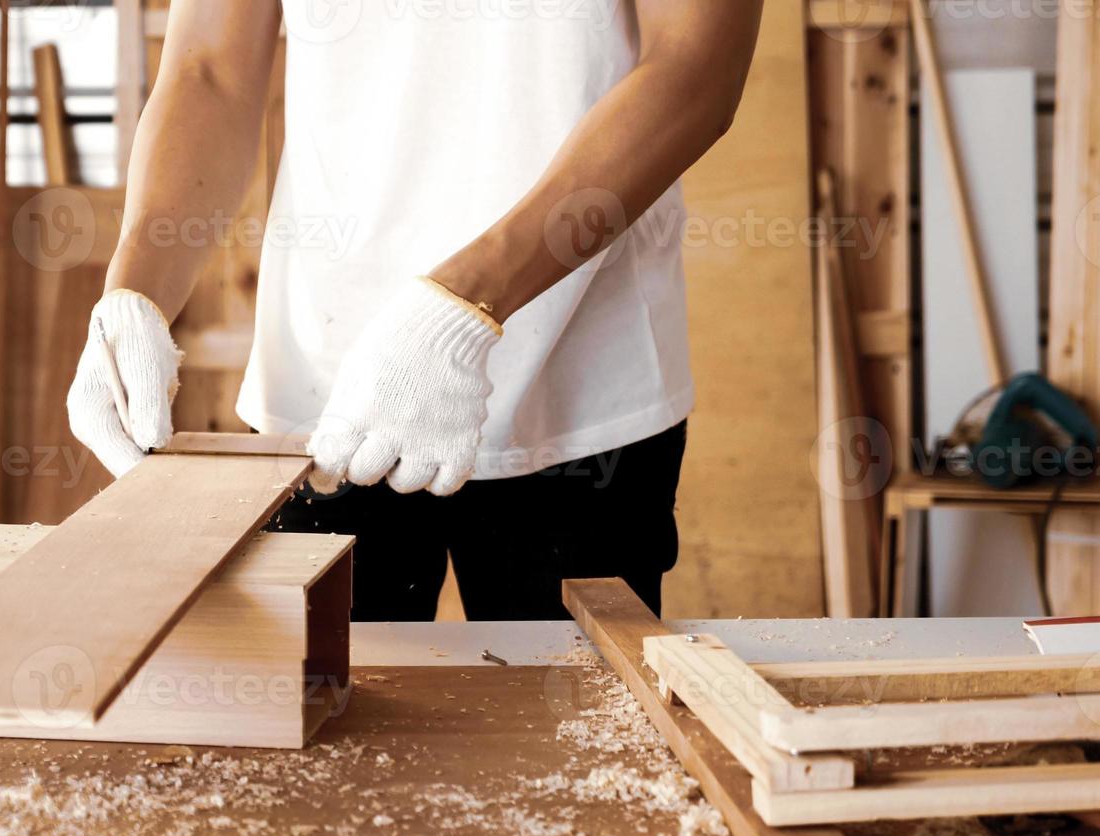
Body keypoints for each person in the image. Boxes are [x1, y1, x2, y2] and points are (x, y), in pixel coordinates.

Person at [66, 0, 764, 621]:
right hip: (325, 400)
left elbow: (694, 68)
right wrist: (135, 292)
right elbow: (209, 70)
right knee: (317, 742)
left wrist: (461, 308)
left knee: (577, 742)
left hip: (580, 393)